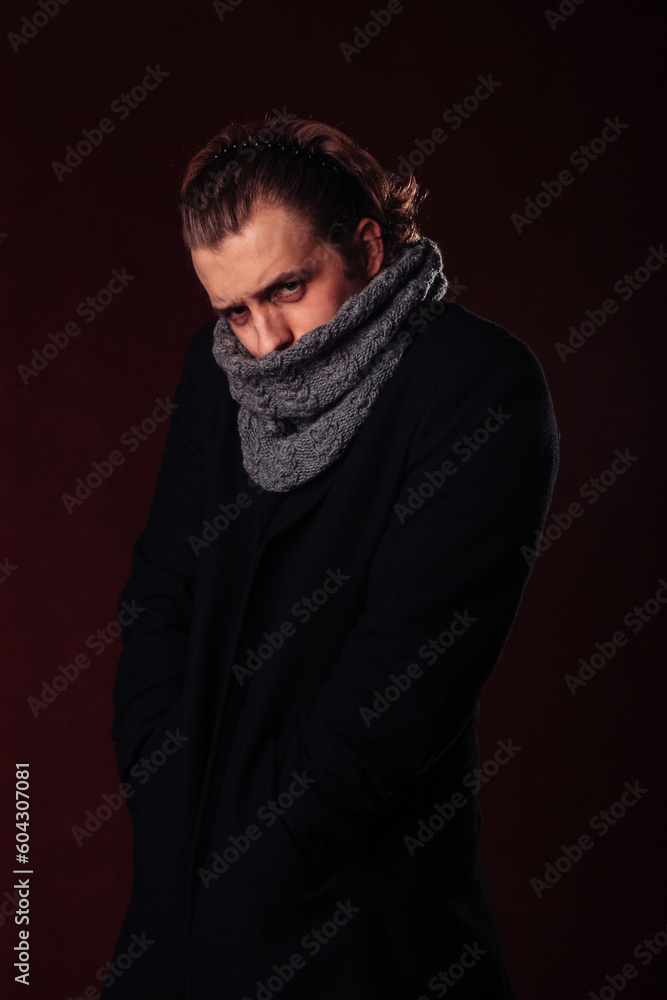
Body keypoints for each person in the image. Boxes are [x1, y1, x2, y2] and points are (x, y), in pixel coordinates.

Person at [108, 110, 558, 999]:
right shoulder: (218, 373)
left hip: (358, 920)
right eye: (232, 310)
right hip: (179, 900)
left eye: (286, 289)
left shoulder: (477, 383)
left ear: (367, 246)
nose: (264, 341)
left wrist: (265, 854)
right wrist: (160, 780)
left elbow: (407, 676)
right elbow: (161, 593)